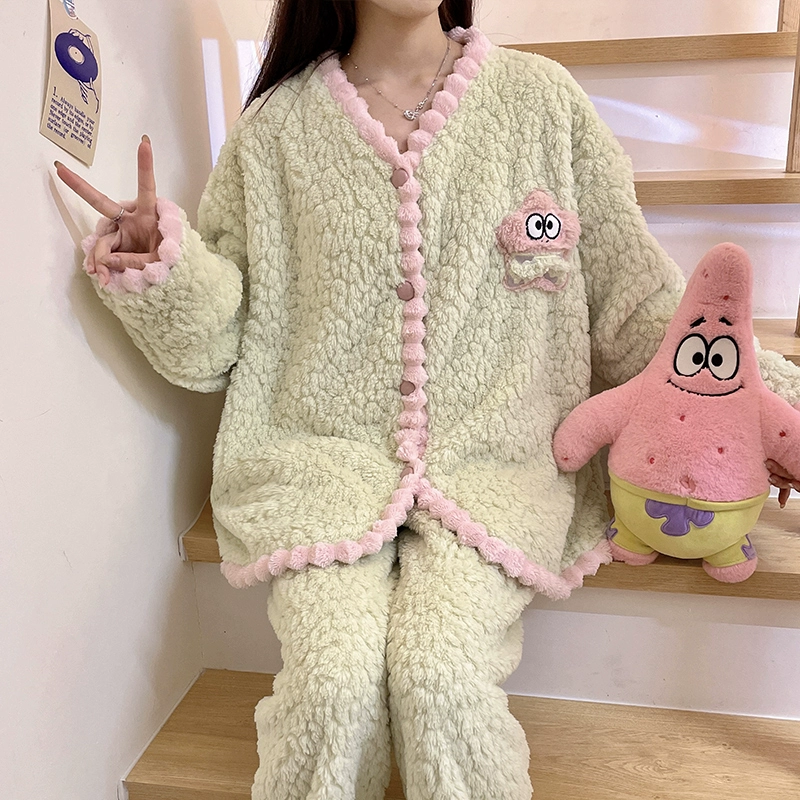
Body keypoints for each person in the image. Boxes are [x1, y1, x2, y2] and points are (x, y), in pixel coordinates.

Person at [56, 1, 800, 798]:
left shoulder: (541, 101)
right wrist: (163, 271)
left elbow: (636, 304)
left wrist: (767, 402)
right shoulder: (275, 130)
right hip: (320, 467)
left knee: (440, 676)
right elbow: (225, 343)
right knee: (330, 684)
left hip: (501, 468)